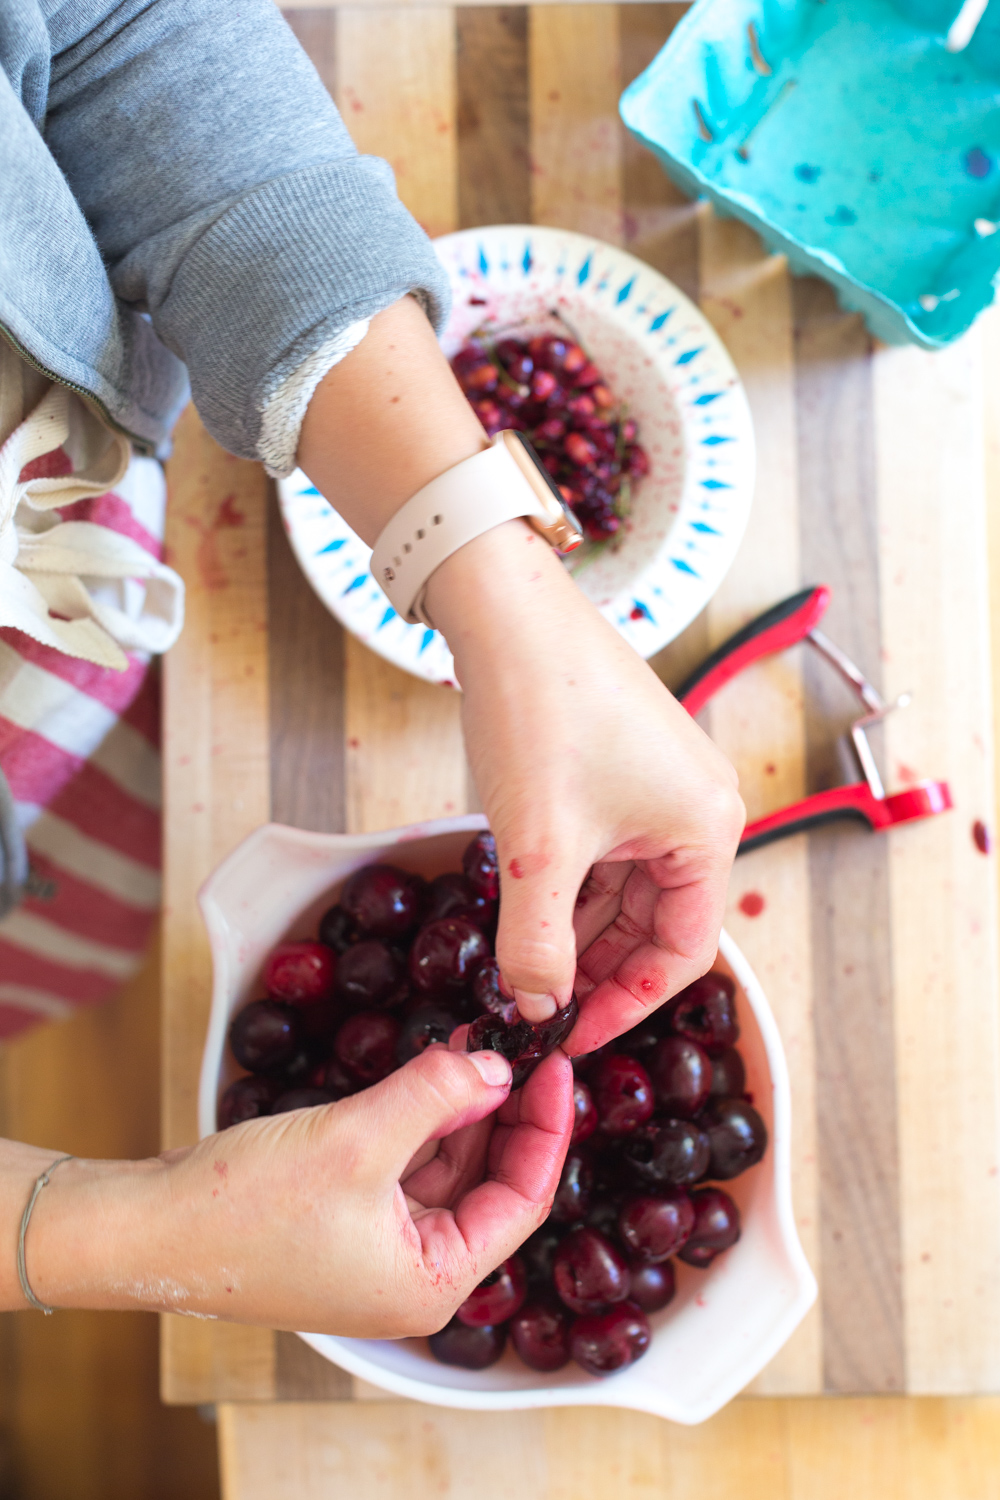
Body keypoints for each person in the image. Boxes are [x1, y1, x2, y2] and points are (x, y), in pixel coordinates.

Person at [0, 0, 743, 1334]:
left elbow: (114, 30)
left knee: (93, 914)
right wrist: (100, 1230)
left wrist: (500, 582)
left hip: (82, 627)